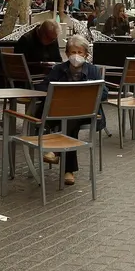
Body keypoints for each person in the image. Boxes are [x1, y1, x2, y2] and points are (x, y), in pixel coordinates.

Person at [35, 35, 106, 179]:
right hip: (59, 111)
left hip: (86, 112)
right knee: (67, 121)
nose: (76, 56)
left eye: (80, 53)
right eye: (73, 52)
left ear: (86, 54)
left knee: (71, 120)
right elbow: (42, 86)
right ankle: (68, 171)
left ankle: (57, 153)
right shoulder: (59, 69)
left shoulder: (92, 71)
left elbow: (103, 94)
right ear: (67, 54)